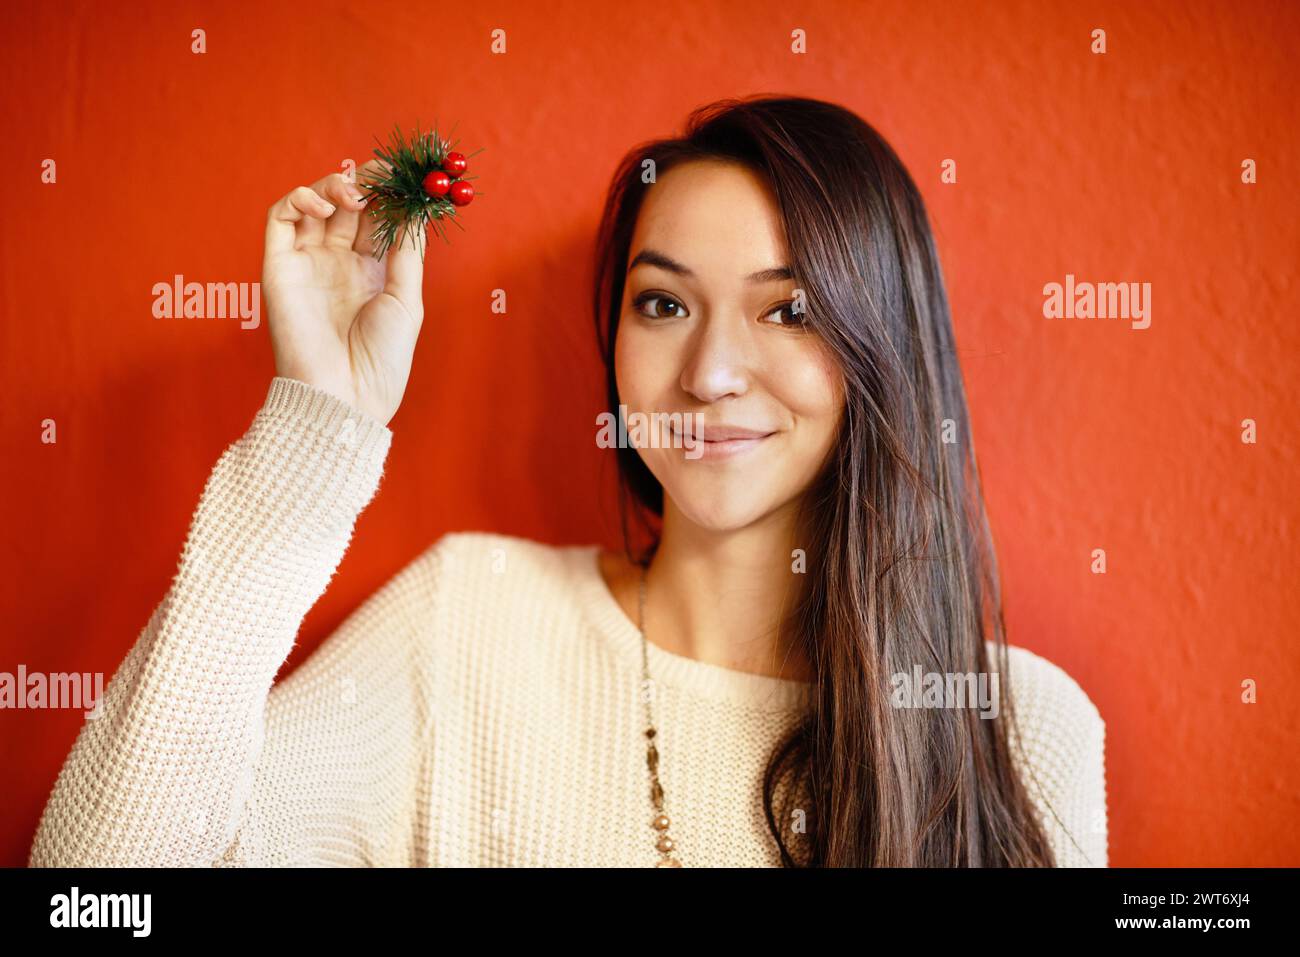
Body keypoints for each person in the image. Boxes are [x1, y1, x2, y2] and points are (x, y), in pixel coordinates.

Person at [28, 95, 1107, 868]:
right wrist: (320, 426)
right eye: (663, 303)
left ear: (885, 348)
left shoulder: (1021, 730)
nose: (711, 373)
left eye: (789, 310)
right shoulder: (466, 623)